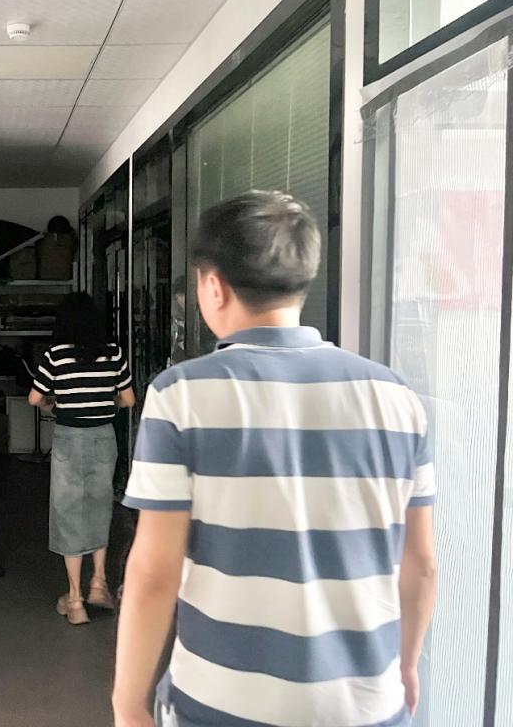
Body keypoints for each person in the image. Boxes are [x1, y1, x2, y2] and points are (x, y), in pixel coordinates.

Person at [113, 191, 438, 727]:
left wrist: (128, 704)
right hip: (366, 706)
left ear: (213, 286)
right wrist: (406, 664)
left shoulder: (181, 395)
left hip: (220, 707)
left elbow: (154, 571)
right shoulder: (395, 397)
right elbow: (421, 563)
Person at [29, 292, 135, 625]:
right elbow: (128, 399)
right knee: (99, 506)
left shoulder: (56, 355)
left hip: (69, 439)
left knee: (69, 510)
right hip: (104, 438)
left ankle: (75, 600)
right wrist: (105, 403)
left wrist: (55, 404)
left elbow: (34, 398)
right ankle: (99, 584)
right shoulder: (113, 353)